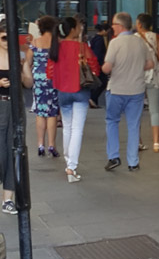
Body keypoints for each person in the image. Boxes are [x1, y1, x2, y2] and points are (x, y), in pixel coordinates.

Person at [47, 17, 100, 182]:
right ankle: (71, 167)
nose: (79, 29)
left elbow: (49, 73)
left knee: (68, 127)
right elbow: (95, 69)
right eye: (78, 27)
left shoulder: (56, 48)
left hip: (62, 91)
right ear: (72, 30)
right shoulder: (82, 47)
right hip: (80, 91)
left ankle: (67, 160)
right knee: (77, 129)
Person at [102, 12, 153, 172]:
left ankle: (114, 156)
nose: (112, 27)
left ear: (120, 26)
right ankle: (133, 162)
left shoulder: (115, 43)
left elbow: (107, 67)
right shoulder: (140, 42)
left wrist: (103, 69)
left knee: (112, 121)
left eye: (113, 25)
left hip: (117, 89)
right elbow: (150, 64)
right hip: (137, 90)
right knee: (133, 125)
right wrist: (136, 68)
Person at [0, 19, 33, 214]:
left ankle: (8, 198)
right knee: (1, 151)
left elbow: (28, 83)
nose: (6, 41)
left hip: (16, 106)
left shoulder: (18, 55)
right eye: (3, 37)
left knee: (15, 150)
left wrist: (23, 69)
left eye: (10, 37)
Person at [26, 15, 60, 157]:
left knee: (40, 113)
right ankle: (51, 145)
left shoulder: (35, 42)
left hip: (39, 79)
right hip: (53, 78)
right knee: (52, 113)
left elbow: (27, 62)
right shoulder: (57, 43)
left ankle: (40, 145)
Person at [135, 13, 159, 152]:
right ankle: (156, 143)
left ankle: (138, 142)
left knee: (136, 111)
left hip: (138, 77)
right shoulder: (155, 36)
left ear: (140, 24)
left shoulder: (134, 39)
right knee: (154, 111)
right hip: (154, 75)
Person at [89, 24, 108, 108]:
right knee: (103, 82)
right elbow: (98, 54)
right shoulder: (100, 40)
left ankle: (94, 101)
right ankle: (92, 98)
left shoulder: (94, 38)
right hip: (99, 64)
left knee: (98, 82)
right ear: (103, 30)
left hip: (95, 63)